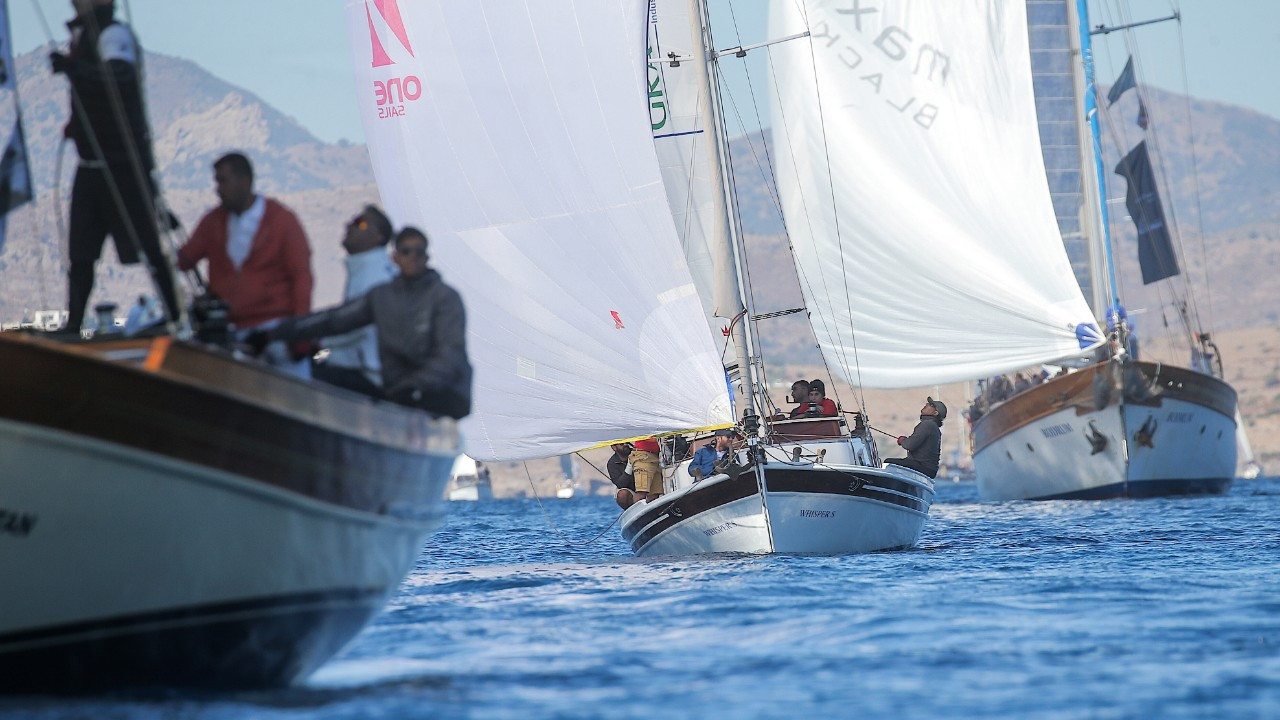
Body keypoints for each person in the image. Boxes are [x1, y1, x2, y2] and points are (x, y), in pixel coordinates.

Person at [52, 0, 180, 333]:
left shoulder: (113, 34)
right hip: (90, 165)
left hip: (122, 164)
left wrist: (74, 70)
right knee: (81, 253)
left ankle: (176, 317)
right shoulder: (83, 37)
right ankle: (73, 325)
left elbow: (119, 77)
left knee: (149, 247)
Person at [250, 226, 472, 418]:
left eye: (419, 251)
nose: (413, 256)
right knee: (306, 375)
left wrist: (415, 387)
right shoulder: (381, 296)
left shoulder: (446, 298)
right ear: (395, 257)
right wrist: (273, 333)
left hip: (442, 396)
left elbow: (449, 355)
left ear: (426, 257)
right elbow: (334, 320)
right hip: (397, 394)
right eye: (406, 251)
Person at [177, 152, 314, 377]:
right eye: (217, 182)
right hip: (233, 333)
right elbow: (184, 259)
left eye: (223, 181)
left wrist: (299, 333)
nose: (218, 189)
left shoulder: (282, 220)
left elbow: (302, 278)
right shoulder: (213, 222)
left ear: (245, 181)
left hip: (277, 331)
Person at [311, 205, 397, 397]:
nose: (349, 225)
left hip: (366, 375)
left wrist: (318, 340)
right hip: (360, 368)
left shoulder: (373, 276)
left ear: (377, 237)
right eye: (353, 220)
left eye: (360, 222)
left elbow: (358, 327)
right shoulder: (375, 269)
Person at [885, 397, 946, 479]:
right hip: (929, 470)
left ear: (935, 413)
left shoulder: (927, 425)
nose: (927, 404)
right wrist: (905, 440)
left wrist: (902, 440)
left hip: (922, 467)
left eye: (931, 405)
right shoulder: (933, 426)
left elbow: (910, 445)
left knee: (888, 463)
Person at [630, 436, 662, 503]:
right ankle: (637, 508)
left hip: (655, 457)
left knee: (654, 495)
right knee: (641, 492)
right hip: (643, 457)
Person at [608, 442, 636, 509]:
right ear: (614, 447)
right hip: (631, 491)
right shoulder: (612, 463)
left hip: (646, 486)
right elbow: (620, 484)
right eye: (621, 444)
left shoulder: (637, 453)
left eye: (627, 442)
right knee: (622, 495)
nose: (625, 445)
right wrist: (630, 465)